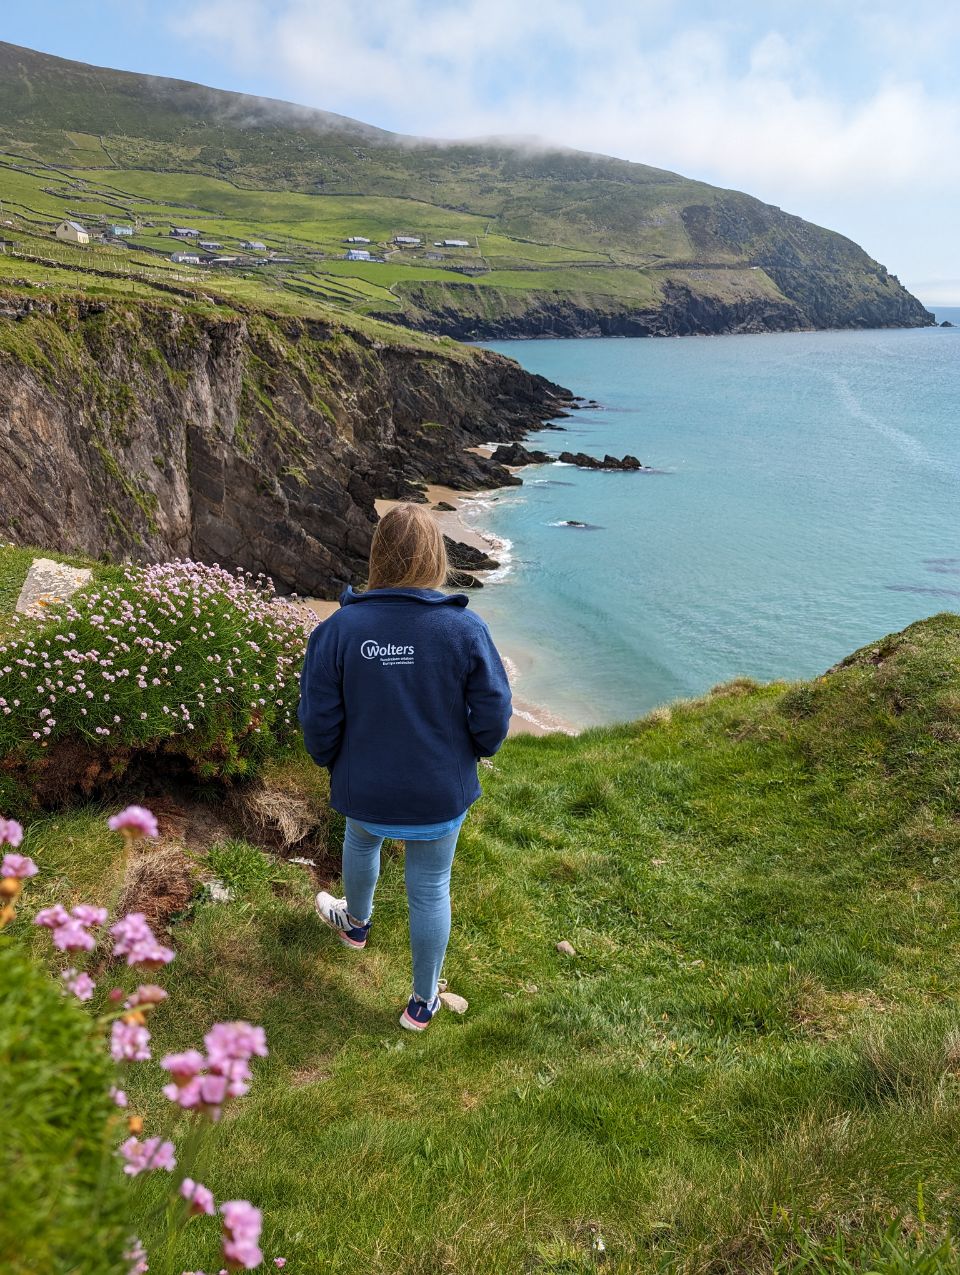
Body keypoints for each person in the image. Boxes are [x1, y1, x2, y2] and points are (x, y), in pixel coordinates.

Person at [298, 503, 513, 1031]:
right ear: (437, 559)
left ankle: (355, 923)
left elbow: (317, 716)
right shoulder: (465, 628)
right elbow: (494, 712)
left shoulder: (341, 628)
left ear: (377, 556)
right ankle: (422, 1003)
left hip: (364, 786)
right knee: (430, 886)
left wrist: (335, 761)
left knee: (361, 838)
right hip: (439, 790)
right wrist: (477, 750)